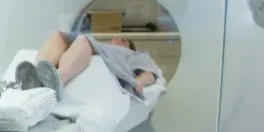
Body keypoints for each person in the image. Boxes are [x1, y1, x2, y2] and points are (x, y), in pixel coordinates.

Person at [15, 30, 161, 100]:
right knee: (58, 36)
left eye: (122, 39)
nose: (116, 37)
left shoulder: (134, 55)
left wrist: (139, 82)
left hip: (95, 50)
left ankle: (57, 80)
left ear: (128, 46)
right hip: (93, 49)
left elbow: (151, 73)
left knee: (83, 39)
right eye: (115, 36)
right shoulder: (104, 47)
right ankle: (37, 75)